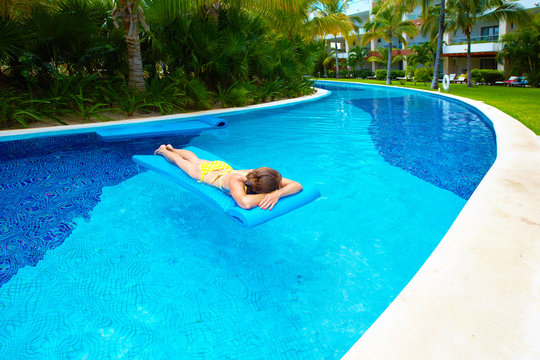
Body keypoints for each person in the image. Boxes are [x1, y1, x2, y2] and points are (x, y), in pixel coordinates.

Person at [154, 144, 303, 210]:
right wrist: (270, 194)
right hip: (205, 174)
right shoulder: (236, 181)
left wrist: (277, 193)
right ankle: (164, 151)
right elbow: (245, 203)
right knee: (181, 162)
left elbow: (297, 185)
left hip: (222, 168)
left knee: (196, 159)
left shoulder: (258, 174)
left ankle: (173, 148)